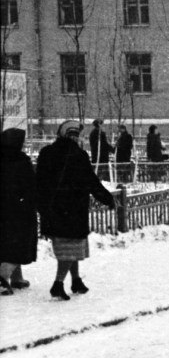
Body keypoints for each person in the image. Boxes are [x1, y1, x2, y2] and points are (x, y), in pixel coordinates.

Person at [35, 120, 117, 301]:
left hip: (54, 209)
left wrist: (42, 206)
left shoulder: (46, 153)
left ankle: (76, 280)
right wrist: (107, 198)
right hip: (73, 210)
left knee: (68, 247)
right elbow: (91, 181)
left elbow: (39, 182)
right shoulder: (78, 155)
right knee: (70, 249)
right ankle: (58, 284)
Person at [1, 128, 37, 295]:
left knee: (6, 243)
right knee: (19, 244)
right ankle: (3, 279)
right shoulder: (21, 161)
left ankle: (17, 278)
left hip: (4, 210)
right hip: (19, 210)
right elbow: (30, 185)